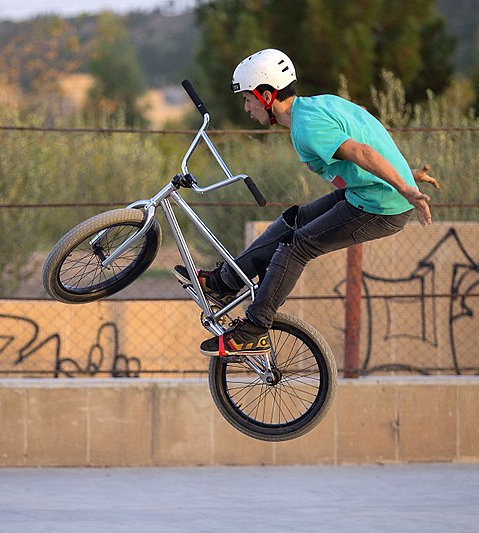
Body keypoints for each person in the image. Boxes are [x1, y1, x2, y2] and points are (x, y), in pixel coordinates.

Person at [174, 48, 439, 357]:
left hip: (380, 208)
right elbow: (367, 131)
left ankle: (254, 329)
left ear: (266, 96)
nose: (246, 108)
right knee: (293, 220)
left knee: (297, 247)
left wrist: (405, 187)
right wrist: (407, 174)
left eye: (247, 99)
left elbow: (363, 151)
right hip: (366, 192)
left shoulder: (307, 129)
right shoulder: (315, 105)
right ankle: (225, 283)